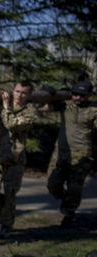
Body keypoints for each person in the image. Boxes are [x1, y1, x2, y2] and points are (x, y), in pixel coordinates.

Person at [0, 81, 38, 238]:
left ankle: (6, 225)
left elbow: (11, 124)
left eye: (24, 93)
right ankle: (7, 210)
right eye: (17, 91)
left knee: (10, 193)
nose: (19, 95)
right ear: (13, 91)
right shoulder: (1, 106)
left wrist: (6, 107)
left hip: (15, 158)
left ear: (29, 95)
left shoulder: (30, 112)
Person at [46, 80, 97, 228]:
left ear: (87, 96)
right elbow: (43, 107)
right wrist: (49, 93)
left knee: (75, 188)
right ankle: (66, 200)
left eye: (82, 95)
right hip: (60, 152)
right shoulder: (65, 106)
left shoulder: (93, 110)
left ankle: (68, 214)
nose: (78, 98)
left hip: (82, 153)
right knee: (52, 184)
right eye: (75, 95)